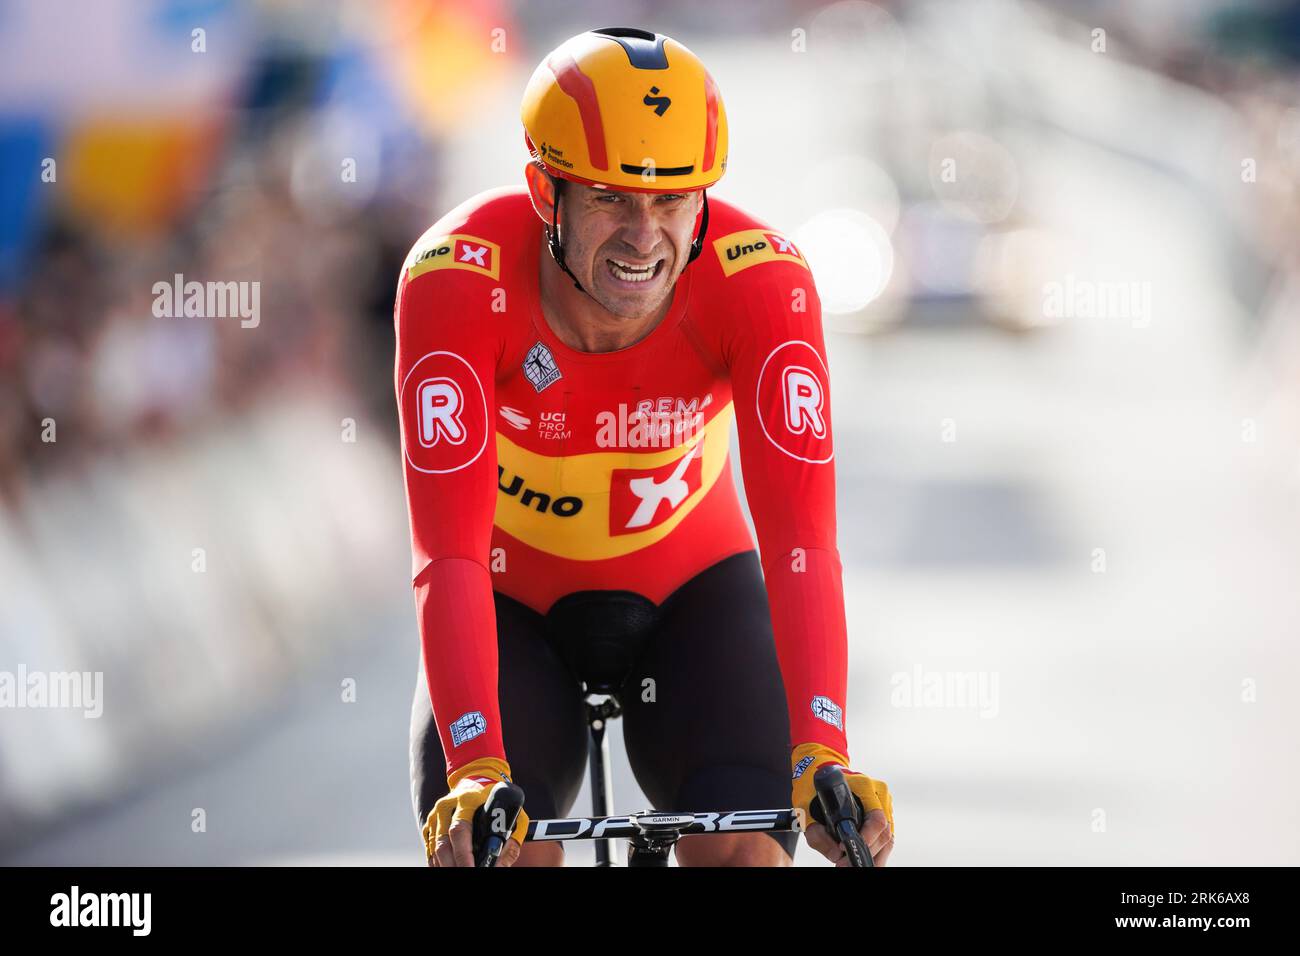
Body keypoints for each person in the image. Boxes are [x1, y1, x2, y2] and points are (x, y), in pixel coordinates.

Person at [396, 26, 893, 867]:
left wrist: (821, 751)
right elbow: (448, 554)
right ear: (543, 193)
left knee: (744, 848)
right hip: (512, 605)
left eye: (672, 201)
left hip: (693, 594)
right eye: (609, 199)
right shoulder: (456, 281)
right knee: (494, 850)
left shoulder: (763, 283)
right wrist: (477, 766)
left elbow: (801, 543)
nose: (644, 237)